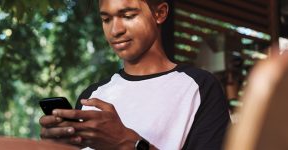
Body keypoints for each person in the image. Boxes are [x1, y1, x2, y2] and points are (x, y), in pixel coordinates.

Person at [39, 0, 230, 149]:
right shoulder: (91, 96)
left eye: (128, 15)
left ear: (160, 13)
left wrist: (126, 143)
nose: (115, 30)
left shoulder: (200, 87)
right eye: (106, 19)